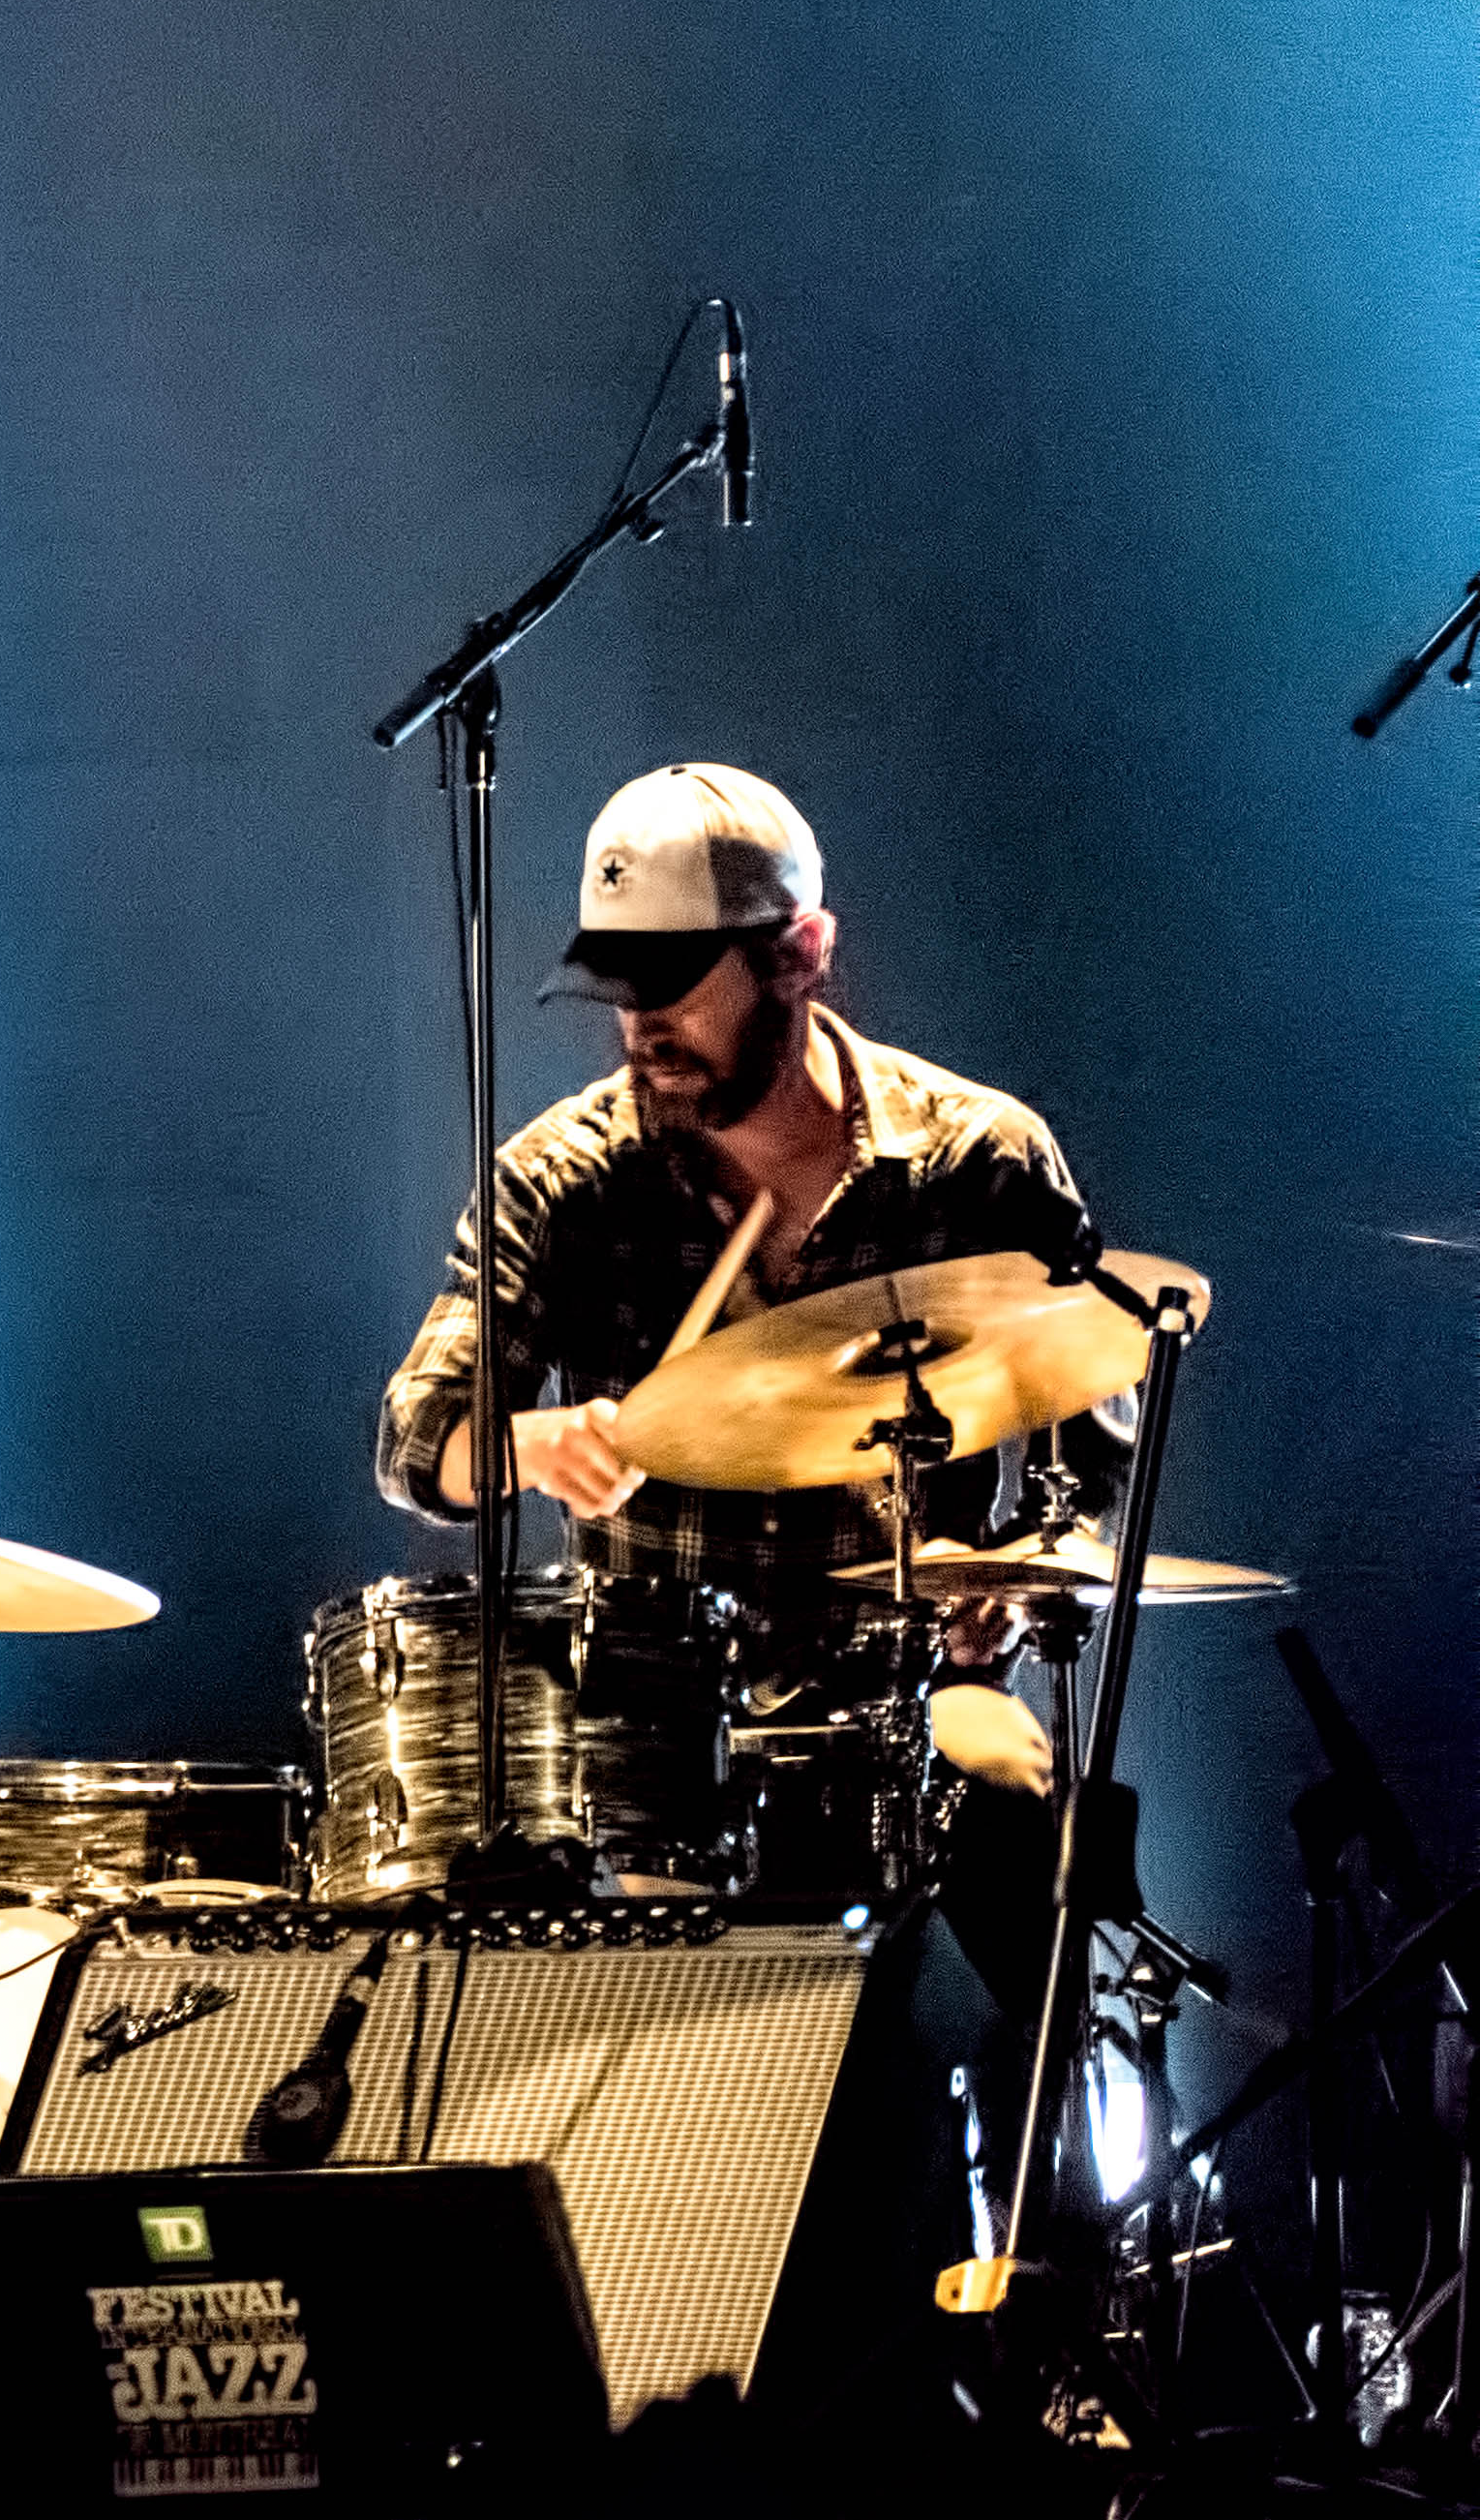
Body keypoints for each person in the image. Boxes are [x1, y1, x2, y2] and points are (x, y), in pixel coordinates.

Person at [367, 763, 1163, 1962]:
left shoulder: (980, 1162)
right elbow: (415, 1444)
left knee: (1031, 1989)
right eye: (618, 990)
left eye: (678, 986)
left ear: (800, 951)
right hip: (651, 1773)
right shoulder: (564, 1178)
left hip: (915, 1729)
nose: (643, 1028)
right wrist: (530, 1442)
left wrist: (1026, 1578)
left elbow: (1098, 1474)